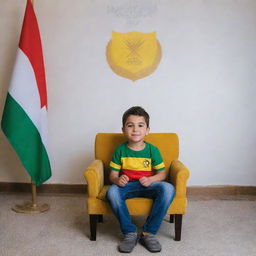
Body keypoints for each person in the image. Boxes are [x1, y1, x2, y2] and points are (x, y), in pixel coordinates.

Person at [106, 106, 175, 253]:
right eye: (130, 125)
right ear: (123, 129)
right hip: (128, 187)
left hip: (148, 186)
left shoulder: (152, 150)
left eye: (140, 125)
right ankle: (130, 233)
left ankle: (148, 233)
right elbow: (112, 175)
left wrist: (151, 180)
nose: (135, 129)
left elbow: (162, 174)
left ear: (147, 130)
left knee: (168, 188)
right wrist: (118, 180)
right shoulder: (120, 150)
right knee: (112, 192)